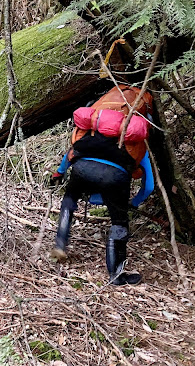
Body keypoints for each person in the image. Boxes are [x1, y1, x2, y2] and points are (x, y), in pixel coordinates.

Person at [49, 86, 155, 286]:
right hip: (114, 177)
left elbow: (69, 156)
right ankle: (116, 275)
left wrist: (59, 173)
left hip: (81, 168)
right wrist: (133, 202)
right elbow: (148, 186)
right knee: (119, 224)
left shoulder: (91, 130)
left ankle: (60, 244)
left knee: (69, 201)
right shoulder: (137, 143)